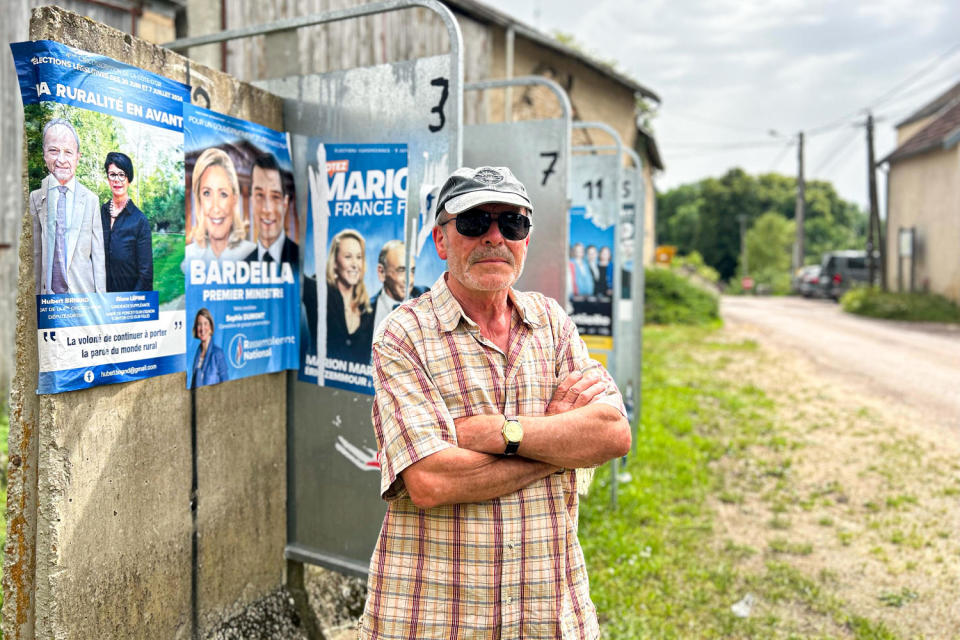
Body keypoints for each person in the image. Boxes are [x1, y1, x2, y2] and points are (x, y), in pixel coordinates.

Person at [361, 166, 631, 639]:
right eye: (474, 222)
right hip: (436, 616)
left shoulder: (552, 322)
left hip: (546, 611)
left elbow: (612, 433)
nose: (494, 237)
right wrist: (559, 448)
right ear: (442, 241)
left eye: (512, 223)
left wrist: (500, 433)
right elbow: (430, 480)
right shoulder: (403, 335)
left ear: (525, 239)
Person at [30, 118, 105, 294]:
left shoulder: (91, 200)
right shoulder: (35, 198)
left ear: (78, 157)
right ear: (44, 154)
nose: (61, 159)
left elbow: (98, 258)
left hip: (82, 300)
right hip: (47, 301)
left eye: (68, 152)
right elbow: (35, 254)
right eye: (54, 151)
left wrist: (101, 302)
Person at [184, 148, 255, 265]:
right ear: (199, 199)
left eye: (223, 194)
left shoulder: (253, 255)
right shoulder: (187, 260)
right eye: (207, 193)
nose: (215, 208)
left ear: (235, 199)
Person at [100, 151, 153, 292]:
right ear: (108, 178)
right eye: (112, 174)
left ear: (129, 178)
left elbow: (145, 274)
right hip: (101, 303)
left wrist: (130, 305)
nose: (117, 180)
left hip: (128, 305)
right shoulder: (99, 214)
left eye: (122, 174)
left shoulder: (139, 221)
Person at [325, 229, 374, 363]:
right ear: (334, 262)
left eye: (359, 257)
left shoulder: (368, 310)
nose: (355, 264)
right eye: (348, 256)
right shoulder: (320, 294)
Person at [244, 152, 298, 265]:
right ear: (251, 200)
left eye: (275, 197)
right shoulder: (240, 271)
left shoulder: (302, 262)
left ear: (285, 203)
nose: (267, 209)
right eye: (259, 195)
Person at [370, 240, 426, 332]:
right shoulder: (362, 313)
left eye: (412, 271)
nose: (409, 281)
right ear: (381, 272)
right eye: (401, 270)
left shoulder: (425, 299)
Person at [190, 307, 228, 387]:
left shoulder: (218, 354)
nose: (202, 328)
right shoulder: (197, 354)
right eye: (199, 324)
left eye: (205, 323)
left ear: (211, 327)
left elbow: (226, 384)